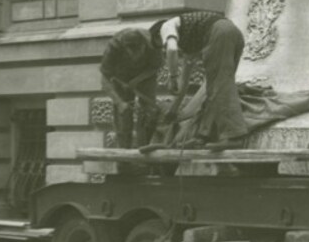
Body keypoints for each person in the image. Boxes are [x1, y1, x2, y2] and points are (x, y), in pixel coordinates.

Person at [149, 11, 248, 150]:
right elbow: (184, 82)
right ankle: (202, 136)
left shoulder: (166, 26)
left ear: (157, 34)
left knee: (220, 86)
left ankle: (235, 136)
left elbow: (171, 50)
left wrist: (172, 77)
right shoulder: (190, 43)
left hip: (220, 32)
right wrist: (174, 109)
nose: (163, 47)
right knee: (213, 89)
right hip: (233, 34)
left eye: (160, 45)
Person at [100, 28, 162, 149]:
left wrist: (137, 80)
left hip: (146, 75)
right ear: (124, 47)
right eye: (130, 50)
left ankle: (145, 150)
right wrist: (119, 103)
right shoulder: (113, 47)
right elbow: (105, 79)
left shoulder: (153, 44)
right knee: (123, 115)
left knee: (148, 113)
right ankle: (124, 157)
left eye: (137, 50)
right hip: (121, 76)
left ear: (143, 45)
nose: (134, 55)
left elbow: (155, 67)